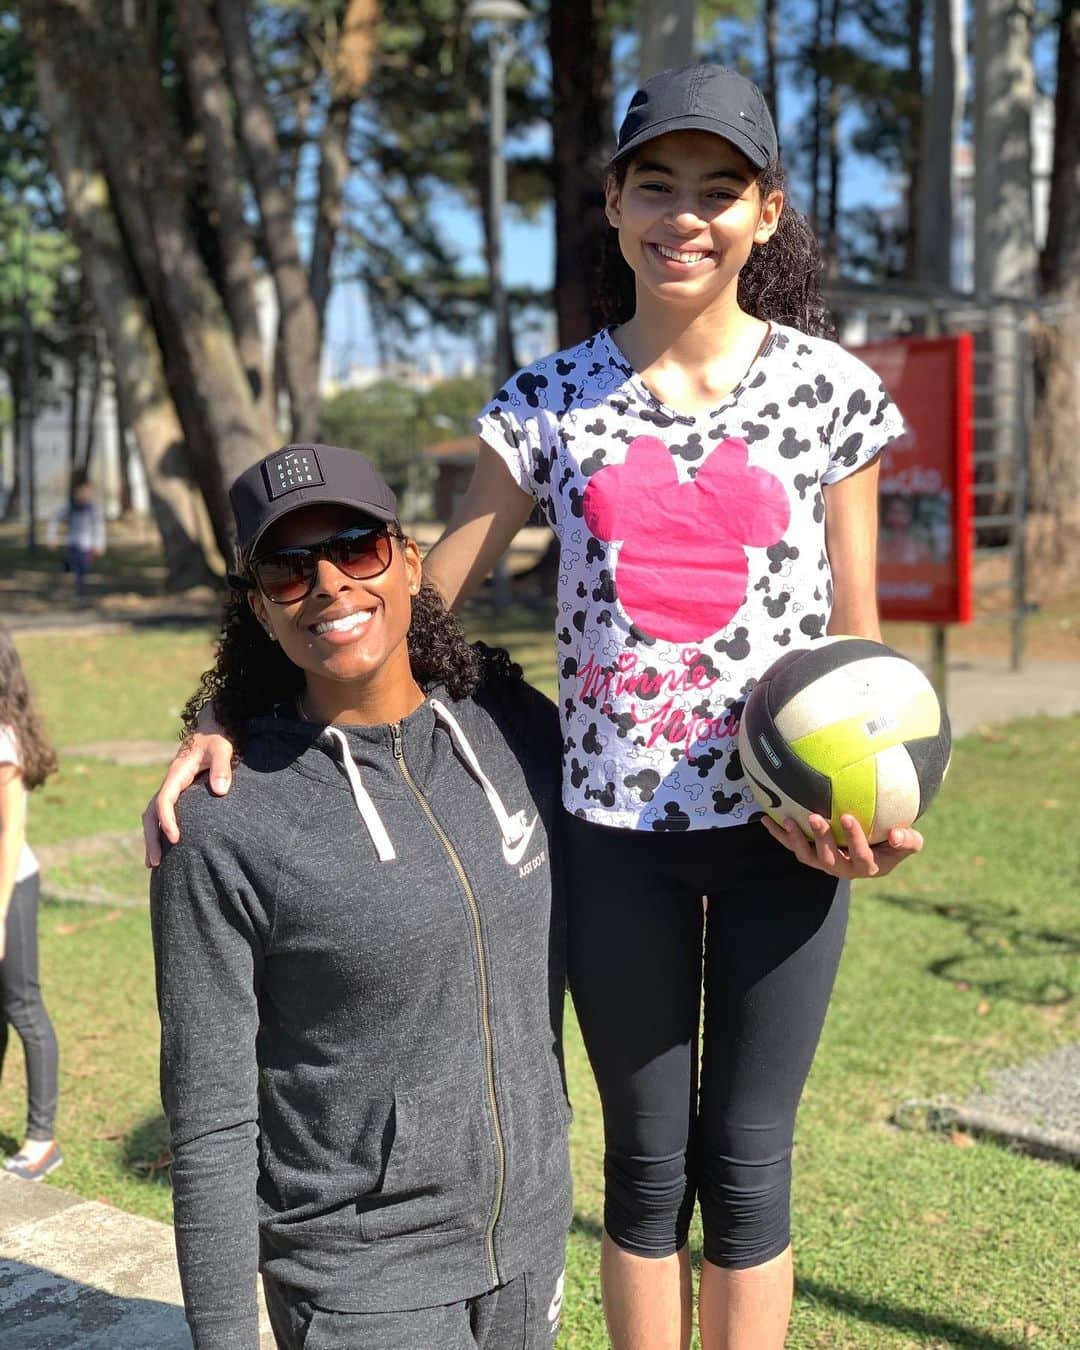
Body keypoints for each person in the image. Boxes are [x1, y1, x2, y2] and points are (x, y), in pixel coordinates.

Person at [146, 66, 925, 1350]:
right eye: (657, 185)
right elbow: (419, 595)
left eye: (720, 190)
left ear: (767, 214)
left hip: (787, 840)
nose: (687, 215)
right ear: (613, 203)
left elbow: (860, 648)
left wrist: (878, 810)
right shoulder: (547, 403)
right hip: (611, 838)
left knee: (749, 1168)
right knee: (645, 1169)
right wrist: (236, 700)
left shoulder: (832, 392)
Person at [150, 443, 571, 1350]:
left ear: (411, 560)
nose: (331, 584)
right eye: (289, 570)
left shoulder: (514, 737)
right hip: (360, 1281)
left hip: (533, 1238)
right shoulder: (224, 823)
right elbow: (212, 1121)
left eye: (357, 547)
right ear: (261, 610)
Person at [0, 625, 62, 1181]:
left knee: (24, 1008)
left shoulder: (4, 739)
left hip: (9, 886)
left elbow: (10, 833)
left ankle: (42, 1140)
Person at [47, 475, 106, 603]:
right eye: (81, 491)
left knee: (83, 568)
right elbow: (54, 519)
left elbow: (99, 527)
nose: (84, 494)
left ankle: (77, 589)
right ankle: (78, 593)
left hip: (87, 545)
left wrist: (100, 544)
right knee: (77, 569)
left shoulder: (93, 509)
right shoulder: (70, 508)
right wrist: (51, 538)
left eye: (87, 491)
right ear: (75, 493)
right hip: (73, 543)